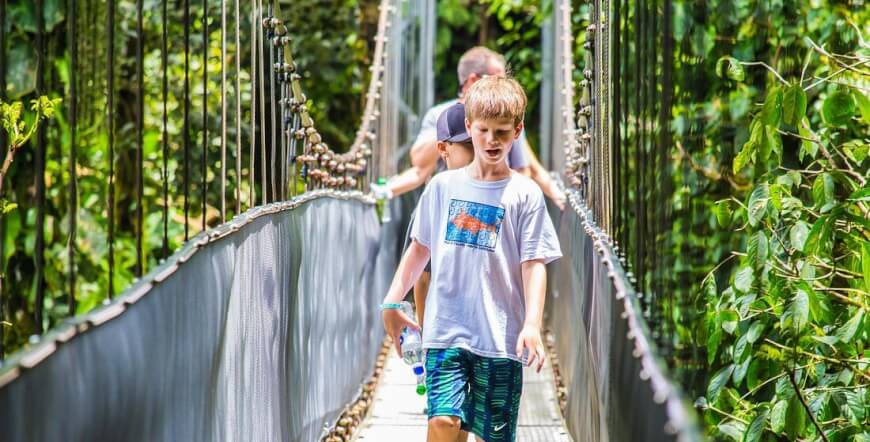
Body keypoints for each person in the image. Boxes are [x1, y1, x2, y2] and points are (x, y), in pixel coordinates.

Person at [381, 76, 562, 442]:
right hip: (445, 332)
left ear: (517, 132)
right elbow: (419, 249)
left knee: (492, 435)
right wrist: (392, 300)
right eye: (483, 130)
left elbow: (534, 264)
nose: (492, 140)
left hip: (500, 338)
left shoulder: (525, 194)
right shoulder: (442, 188)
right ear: (468, 126)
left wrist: (532, 325)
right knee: (443, 422)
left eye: (502, 132)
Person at [372, 46, 565, 210]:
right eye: (496, 79)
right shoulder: (441, 115)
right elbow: (419, 164)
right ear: (473, 81)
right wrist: (458, 118)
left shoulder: (505, 117)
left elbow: (525, 168)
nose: (502, 86)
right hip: (448, 208)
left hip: (493, 209)